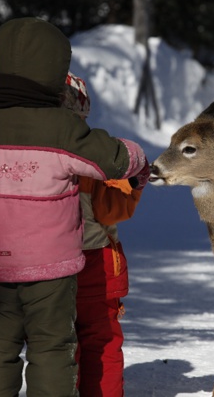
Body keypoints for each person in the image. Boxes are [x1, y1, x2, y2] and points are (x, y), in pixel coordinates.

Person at [0, 17, 149, 397]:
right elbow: (112, 162)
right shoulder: (60, 127)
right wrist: (137, 156)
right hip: (50, 267)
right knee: (51, 347)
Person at [62, 73, 144, 396]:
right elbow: (111, 210)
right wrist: (134, 186)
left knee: (61, 345)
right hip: (96, 267)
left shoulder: (39, 152)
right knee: (103, 343)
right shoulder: (94, 152)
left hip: (49, 267)